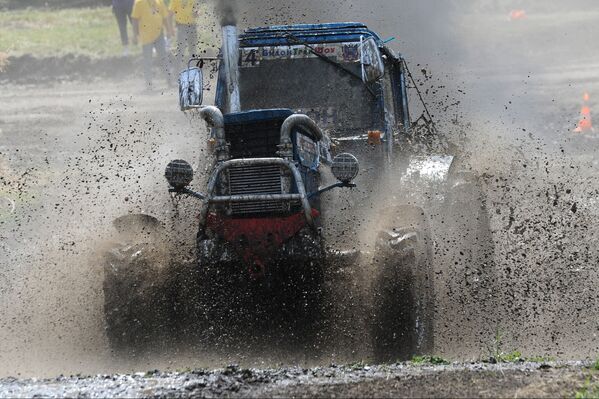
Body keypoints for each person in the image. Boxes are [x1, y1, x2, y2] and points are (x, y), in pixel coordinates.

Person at [131, 0, 175, 89]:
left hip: (159, 34)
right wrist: (135, 35)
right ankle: (149, 83)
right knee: (147, 60)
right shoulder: (139, 3)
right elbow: (135, 19)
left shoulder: (159, 2)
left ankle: (169, 81)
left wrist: (168, 30)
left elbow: (164, 17)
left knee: (164, 57)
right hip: (146, 36)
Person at [169, 0, 199, 67]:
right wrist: (170, 28)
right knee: (181, 49)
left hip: (192, 25)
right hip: (181, 26)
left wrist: (196, 13)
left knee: (193, 49)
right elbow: (170, 14)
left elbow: (196, 9)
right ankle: (178, 70)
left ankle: (193, 69)